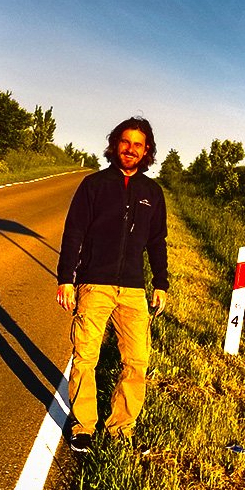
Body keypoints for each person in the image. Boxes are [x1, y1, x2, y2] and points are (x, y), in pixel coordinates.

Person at [56, 117, 168, 453]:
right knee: (85, 357)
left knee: (137, 361)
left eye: (138, 145)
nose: (130, 149)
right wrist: (66, 279)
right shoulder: (94, 185)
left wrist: (160, 283)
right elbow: (74, 232)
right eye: (125, 142)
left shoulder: (152, 193)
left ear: (146, 151)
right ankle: (82, 427)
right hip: (94, 284)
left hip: (133, 289)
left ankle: (121, 428)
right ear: (115, 144)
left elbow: (157, 242)